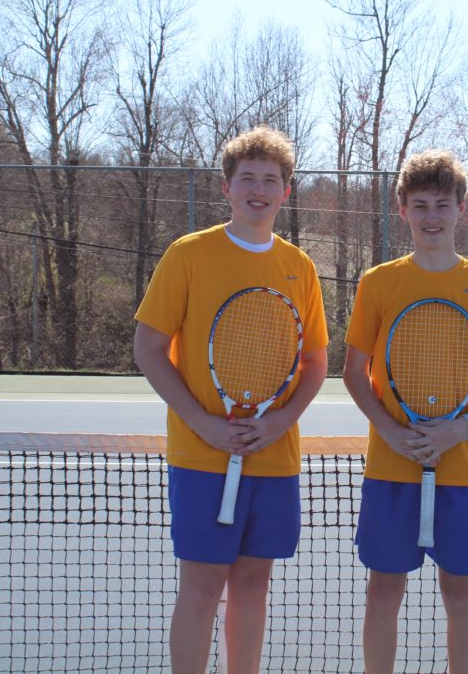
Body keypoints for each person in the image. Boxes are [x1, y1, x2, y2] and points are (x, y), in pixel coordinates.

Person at [133, 125, 328, 674]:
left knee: (253, 583)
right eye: (247, 178)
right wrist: (203, 424)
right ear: (227, 188)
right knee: (201, 585)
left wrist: (281, 421)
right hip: (202, 458)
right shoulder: (189, 254)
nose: (258, 189)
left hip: (273, 455)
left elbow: (315, 363)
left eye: (270, 179)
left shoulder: (300, 267)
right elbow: (148, 348)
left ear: (286, 190)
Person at [342, 149, 468, 674]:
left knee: (459, 591)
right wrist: (392, 434)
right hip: (391, 467)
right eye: (420, 205)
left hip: (461, 469)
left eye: (442, 204)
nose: (431, 216)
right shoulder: (378, 282)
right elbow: (353, 373)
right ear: (403, 210)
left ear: (461, 209)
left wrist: (461, 428)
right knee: (383, 591)